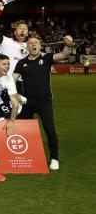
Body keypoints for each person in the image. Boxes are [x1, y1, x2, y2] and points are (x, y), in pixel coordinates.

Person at [13, 35, 74, 170]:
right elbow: (12, 79)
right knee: (21, 129)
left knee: (49, 129)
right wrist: (13, 94)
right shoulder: (21, 62)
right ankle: (25, 155)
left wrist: (68, 45)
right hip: (27, 102)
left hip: (44, 102)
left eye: (36, 42)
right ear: (27, 47)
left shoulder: (46, 58)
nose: (33, 45)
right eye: (30, 43)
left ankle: (54, 158)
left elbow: (63, 54)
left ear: (40, 46)